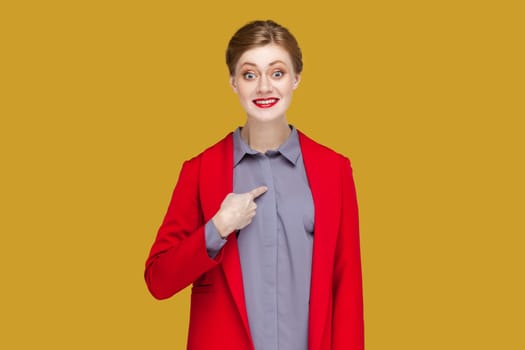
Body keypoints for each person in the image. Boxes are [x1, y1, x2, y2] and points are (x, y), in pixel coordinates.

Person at [144, 20, 363, 350]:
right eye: (250, 74)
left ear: (296, 79)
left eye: (277, 73)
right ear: (233, 82)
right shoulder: (200, 171)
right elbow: (158, 280)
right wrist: (217, 228)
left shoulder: (335, 171)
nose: (264, 87)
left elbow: (347, 289)